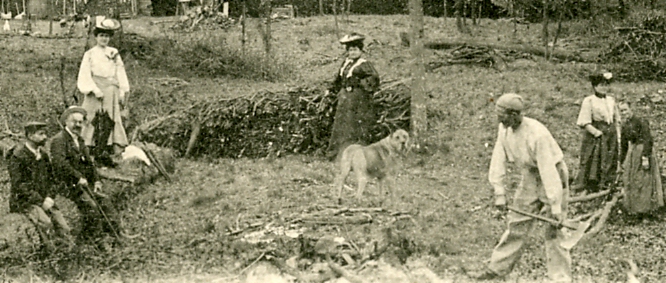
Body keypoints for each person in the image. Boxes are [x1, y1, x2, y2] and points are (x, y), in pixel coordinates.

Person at [470, 93, 572, 282]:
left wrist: (556, 206)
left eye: (503, 115)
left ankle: (560, 278)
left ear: (515, 114)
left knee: (554, 230)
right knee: (517, 223)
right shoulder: (504, 129)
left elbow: (549, 172)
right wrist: (499, 192)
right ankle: (497, 269)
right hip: (531, 175)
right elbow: (498, 158)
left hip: (553, 174)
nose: (499, 119)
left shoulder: (537, 134)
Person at [50, 106, 122, 248]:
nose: (78, 125)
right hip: (67, 184)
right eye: (74, 121)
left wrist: (96, 180)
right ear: (66, 122)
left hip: (83, 182)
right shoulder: (59, 140)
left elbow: (89, 163)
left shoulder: (80, 140)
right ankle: (98, 240)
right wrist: (78, 177)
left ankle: (116, 233)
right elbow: (60, 164)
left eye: (80, 122)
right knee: (91, 206)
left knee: (105, 200)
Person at [8, 121, 74, 251]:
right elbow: (19, 185)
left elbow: (52, 179)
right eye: (41, 134)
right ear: (30, 136)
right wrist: (40, 201)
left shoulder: (43, 155)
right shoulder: (17, 156)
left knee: (64, 227)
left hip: (45, 200)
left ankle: (67, 253)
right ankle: (50, 255)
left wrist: (50, 197)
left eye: (45, 134)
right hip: (24, 201)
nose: (45, 137)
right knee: (46, 223)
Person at [77, 16, 129, 159]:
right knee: (91, 117)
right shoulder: (90, 54)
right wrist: (94, 89)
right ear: (96, 37)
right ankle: (87, 148)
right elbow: (85, 73)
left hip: (111, 90)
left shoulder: (113, 53)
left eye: (106, 36)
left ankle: (112, 147)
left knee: (111, 118)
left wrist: (123, 91)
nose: (104, 39)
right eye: (101, 35)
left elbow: (120, 72)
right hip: (95, 90)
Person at [326, 32, 380, 161]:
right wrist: (331, 89)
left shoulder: (364, 64)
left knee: (354, 125)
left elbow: (374, 79)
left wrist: (358, 83)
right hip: (345, 99)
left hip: (358, 99)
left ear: (361, 51)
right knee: (341, 124)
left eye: (355, 50)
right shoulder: (346, 63)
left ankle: (356, 156)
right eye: (350, 50)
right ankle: (338, 155)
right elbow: (339, 79)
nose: (353, 52)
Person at [573, 71, 621, 193]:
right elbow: (584, 122)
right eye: (601, 85)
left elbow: (616, 118)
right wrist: (596, 132)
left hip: (610, 132)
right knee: (595, 157)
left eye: (606, 85)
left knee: (611, 157)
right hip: (597, 133)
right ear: (595, 86)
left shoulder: (611, 100)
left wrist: (617, 134)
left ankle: (607, 181)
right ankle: (592, 184)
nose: (604, 88)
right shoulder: (589, 100)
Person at [618, 101, 664, 214]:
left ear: (631, 109)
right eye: (621, 111)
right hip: (633, 154)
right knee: (632, 180)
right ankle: (635, 209)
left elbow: (648, 139)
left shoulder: (641, 121)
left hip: (644, 151)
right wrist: (621, 162)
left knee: (644, 181)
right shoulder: (624, 125)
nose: (624, 113)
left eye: (625, 110)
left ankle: (646, 210)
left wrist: (645, 157)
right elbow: (623, 145)